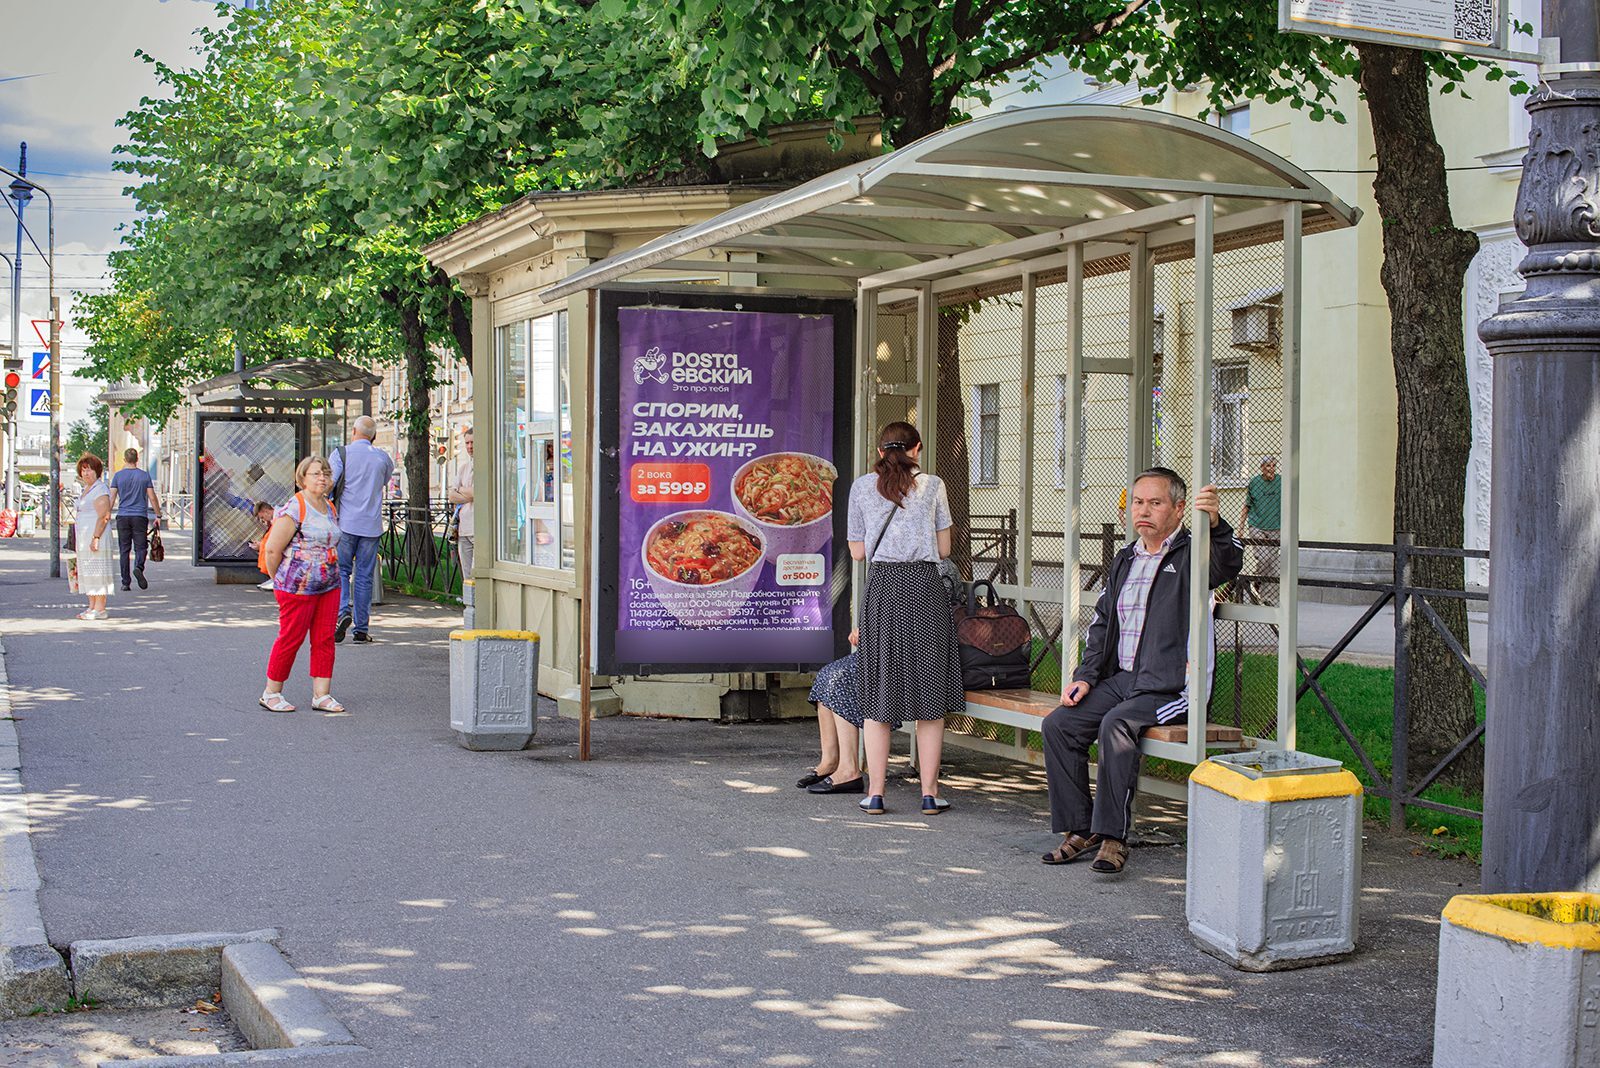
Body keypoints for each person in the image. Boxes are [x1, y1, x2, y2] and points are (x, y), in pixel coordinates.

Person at [1040, 467, 1243, 875]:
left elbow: (1229, 563)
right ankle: (1081, 830)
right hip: (1123, 680)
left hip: (1171, 687)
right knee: (1059, 725)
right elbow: (1102, 625)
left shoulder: (1192, 552)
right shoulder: (1125, 558)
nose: (1143, 511)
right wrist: (1084, 676)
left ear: (1179, 508)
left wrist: (1217, 524)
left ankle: (1114, 838)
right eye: (1137, 502)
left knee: (1116, 726)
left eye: (1155, 502)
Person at [846, 421, 963, 816]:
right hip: (925, 589)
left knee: (879, 689)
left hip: (883, 590)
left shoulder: (862, 487)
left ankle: (876, 793)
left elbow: (859, 552)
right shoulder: (933, 485)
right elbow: (944, 548)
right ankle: (930, 793)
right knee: (930, 694)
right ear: (919, 448)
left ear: (881, 452)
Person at [259, 457, 345, 714]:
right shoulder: (295, 507)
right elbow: (273, 549)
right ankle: (271, 692)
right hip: (297, 587)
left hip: (329, 583)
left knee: (324, 638)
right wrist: (279, 580)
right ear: (302, 478)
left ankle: (322, 694)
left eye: (325, 473)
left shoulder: (328, 506)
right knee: (291, 638)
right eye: (316, 473)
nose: (322, 478)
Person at [329, 415, 394, 644]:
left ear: (354, 431)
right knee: (365, 576)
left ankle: (342, 611)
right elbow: (384, 481)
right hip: (371, 526)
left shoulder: (341, 454)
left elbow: (331, 484)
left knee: (342, 571)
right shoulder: (383, 458)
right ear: (374, 436)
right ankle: (361, 629)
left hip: (345, 523)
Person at [797, 630, 865, 794]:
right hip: (875, 648)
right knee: (827, 673)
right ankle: (830, 761)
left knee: (841, 678)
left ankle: (849, 770)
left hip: (897, 650)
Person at [72, 454, 117, 620]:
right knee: (87, 570)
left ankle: (100, 608)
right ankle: (91, 605)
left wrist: (96, 537)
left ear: (97, 471)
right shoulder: (86, 489)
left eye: (89, 470)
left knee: (97, 570)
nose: (86, 473)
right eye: (83, 470)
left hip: (95, 535)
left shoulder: (100, 489)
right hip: (84, 535)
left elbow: (104, 515)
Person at [109, 448, 161, 591]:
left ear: (125, 460)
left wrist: (106, 515)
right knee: (141, 547)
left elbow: (112, 497)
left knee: (124, 550)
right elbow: (152, 497)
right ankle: (138, 567)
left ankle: (125, 582)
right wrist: (158, 515)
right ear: (137, 459)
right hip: (140, 516)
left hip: (123, 516)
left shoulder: (118, 476)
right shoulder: (144, 476)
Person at [1241, 456, 1282, 604]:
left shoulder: (1281, 482)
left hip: (1276, 527)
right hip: (1257, 525)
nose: (1271, 469)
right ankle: (1256, 581)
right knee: (1264, 558)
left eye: (1273, 466)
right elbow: (1246, 506)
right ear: (1262, 468)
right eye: (1268, 466)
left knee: (1273, 566)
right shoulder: (1255, 483)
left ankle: (1267, 597)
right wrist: (1240, 528)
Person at [447, 426, 475, 576]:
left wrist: (461, 490)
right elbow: (451, 495)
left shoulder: (486, 465)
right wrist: (468, 493)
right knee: (467, 575)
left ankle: (478, 600)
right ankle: (469, 599)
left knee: (478, 573)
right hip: (463, 529)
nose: (470, 447)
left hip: (478, 529)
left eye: (473, 443)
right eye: (467, 443)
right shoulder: (463, 467)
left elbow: (478, 493)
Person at [247, 500, 276, 590]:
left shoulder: (279, 520)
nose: (263, 521)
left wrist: (262, 545)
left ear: (266, 511)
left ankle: (275, 578)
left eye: (262, 517)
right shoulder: (276, 520)